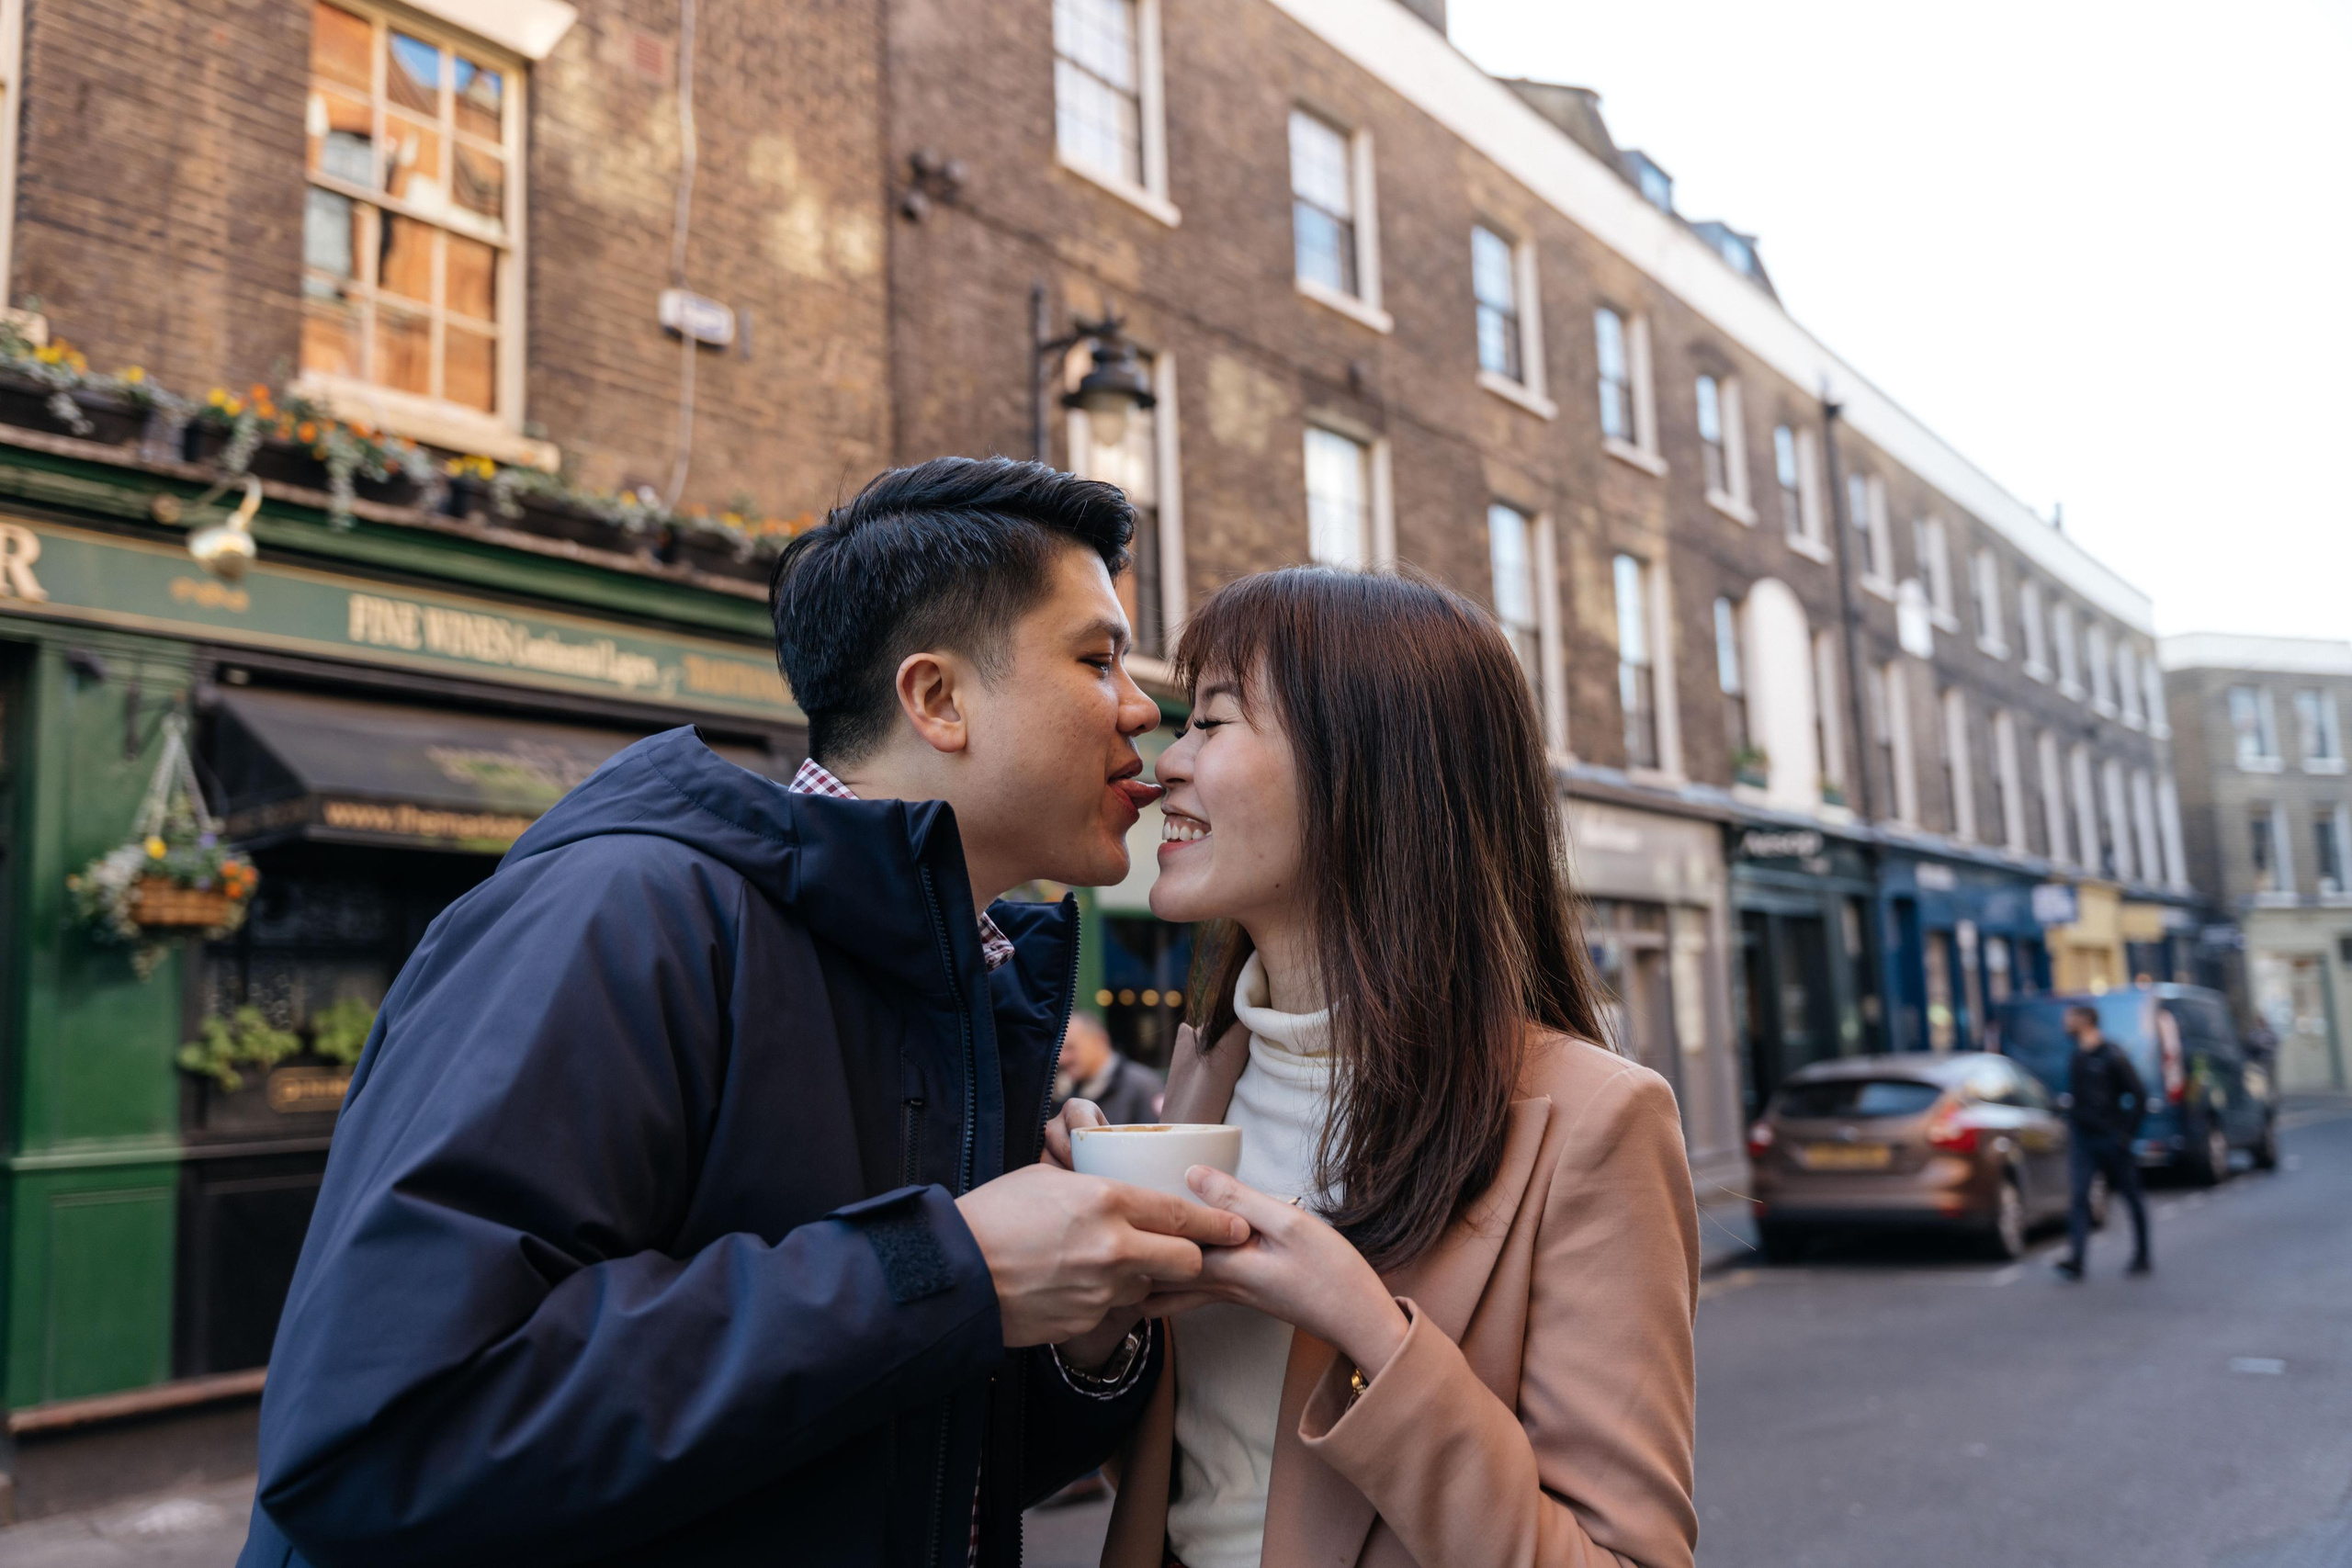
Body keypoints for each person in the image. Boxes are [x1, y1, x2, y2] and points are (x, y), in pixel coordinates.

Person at [234, 457, 1249, 1568]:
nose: (1143, 710)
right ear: (937, 698)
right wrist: (947, 1269)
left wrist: (1083, 1339)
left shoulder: (962, 983)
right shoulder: (616, 913)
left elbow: (911, 1458)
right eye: (1098, 658)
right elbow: (379, 1437)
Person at [1046, 568, 1699, 1568]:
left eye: (1212, 723)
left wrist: (1361, 1324)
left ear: (1369, 772)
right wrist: (1095, 1315)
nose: (1163, 764)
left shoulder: (1594, 1122)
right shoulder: (1204, 1077)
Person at [2056, 1003, 2152, 1280]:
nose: (2065, 1023)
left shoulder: (2112, 1055)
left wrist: (2126, 1135)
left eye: (2069, 1018)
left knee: (2131, 1197)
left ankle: (2142, 1255)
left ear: (2085, 1021)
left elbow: (2139, 1095)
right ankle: (2077, 1260)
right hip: (2083, 1140)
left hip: (2112, 1139)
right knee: (2078, 1198)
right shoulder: (2077, 1056)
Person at [1052, 1010, 1167, 1124]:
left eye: (1070, 1048)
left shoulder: (1144, 1085)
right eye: (1059, 1051)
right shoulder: (1065, 1091)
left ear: (1100, 1040)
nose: (1062, 1058)